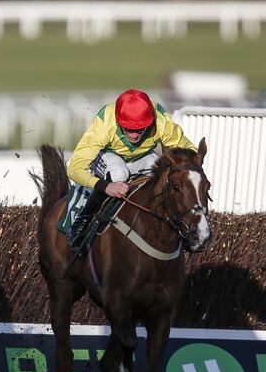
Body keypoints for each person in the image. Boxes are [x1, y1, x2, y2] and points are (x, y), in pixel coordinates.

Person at [66, 89, 197, 253]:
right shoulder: (106, 121)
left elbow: (188, 151)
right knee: (119, 173)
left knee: (156, 170)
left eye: (141, 129)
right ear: (119, 122)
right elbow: (74, 167)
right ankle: (82, 221)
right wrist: (105, 186)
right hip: (108, 157)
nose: (135, 135)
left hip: (141, 158)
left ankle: (161, 224)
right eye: (128, 129)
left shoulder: (160, 120)